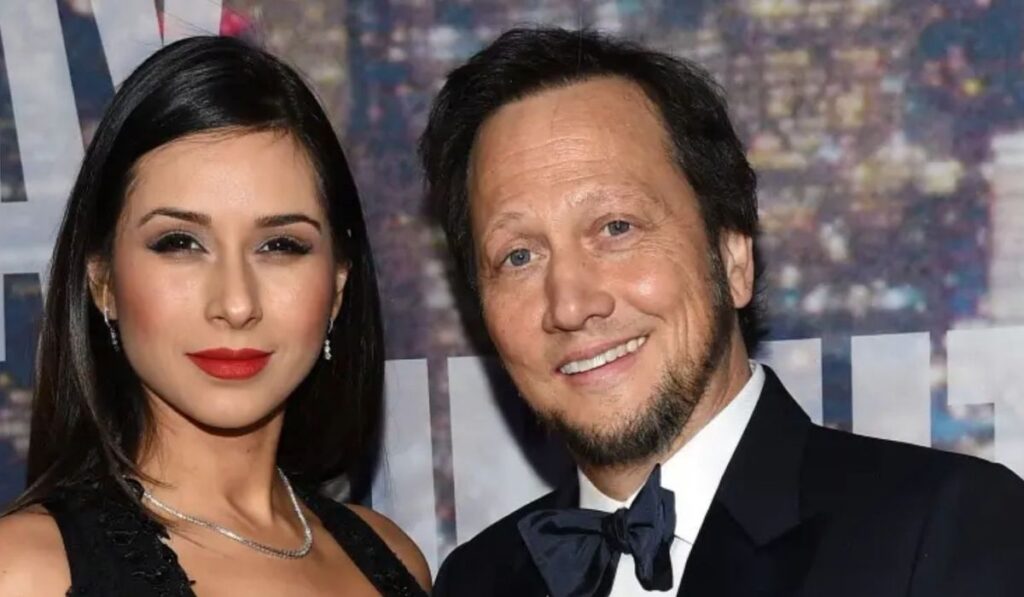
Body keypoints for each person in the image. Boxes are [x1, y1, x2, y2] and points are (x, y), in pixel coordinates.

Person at [419, 27, 1024, 597]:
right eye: (519, 256)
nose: (571, 305)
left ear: (732, 257)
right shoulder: (475, 580)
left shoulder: (944, 529)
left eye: (616, 227)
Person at [0, 36, 430, 596]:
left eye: (280, 246)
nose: (235, 303)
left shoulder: (395, 561)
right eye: (180, 242)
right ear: (103, 282)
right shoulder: (24, 571)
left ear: (338, 287)